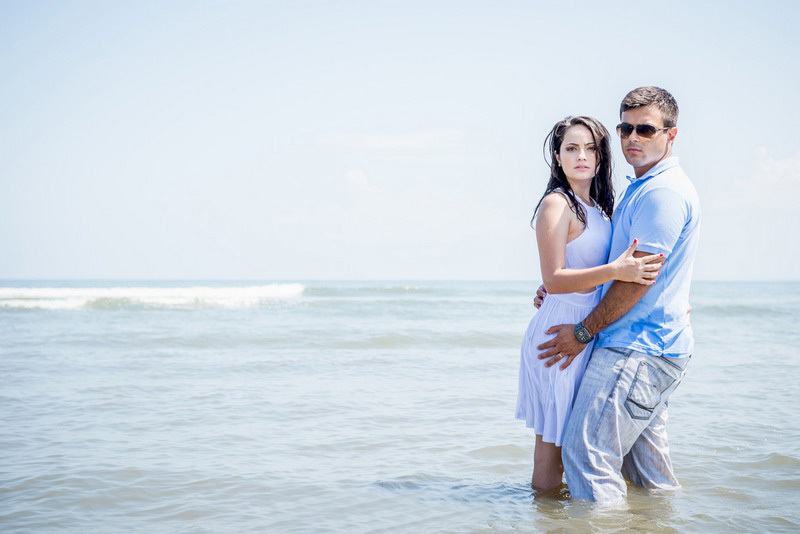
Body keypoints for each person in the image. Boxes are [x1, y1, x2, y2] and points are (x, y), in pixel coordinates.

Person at [534, 87, 701, 503]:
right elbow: (630, 267)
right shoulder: (641, 187)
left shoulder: (661, 192)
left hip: (636, 349)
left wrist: (583, 331)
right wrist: (563, 285)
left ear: (671, 134)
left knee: (586, 455)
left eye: (645, 129)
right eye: (625, 127)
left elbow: (636, 279)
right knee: (648, 477)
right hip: (656, 346)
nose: (633, 137)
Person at [516, 115, 664, 492]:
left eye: (590, 148)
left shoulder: (597, 206)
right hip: (558, 335)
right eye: (571, 148)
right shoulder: (556, 203)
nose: (581, 156)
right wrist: (615, 270)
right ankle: (548, 520)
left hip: (586, 332)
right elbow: (554, 278)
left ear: (601, 157)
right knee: (552, 449)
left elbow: (573, 268)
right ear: (557, 155)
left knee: (578, 446)